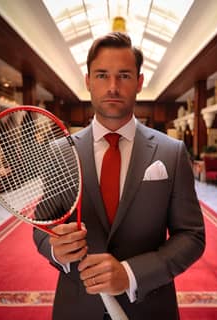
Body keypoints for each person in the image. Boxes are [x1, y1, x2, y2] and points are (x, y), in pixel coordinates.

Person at [33, 32, 205, 320]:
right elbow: (42, 226)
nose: (112, 87)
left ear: (139, 82)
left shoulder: (171, 152)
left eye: (124, 76)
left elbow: (191, 236)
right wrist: (54, 248)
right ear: (88, 81)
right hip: (77, 307)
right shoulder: (60, 152)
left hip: (150, 306)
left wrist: (131, 274)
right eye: (102, 75)